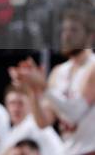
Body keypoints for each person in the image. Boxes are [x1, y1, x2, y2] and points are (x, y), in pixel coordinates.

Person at [9, 9, 95, 155]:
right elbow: (43, 122)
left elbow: (75, 113)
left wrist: (43, 86)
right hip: (68, 150)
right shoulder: (58, 71)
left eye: (74, 30)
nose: (67, 35)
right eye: (64, 30)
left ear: (90, 36)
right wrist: (33, 89)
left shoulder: (92, 67)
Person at [0, 85, 64, 155]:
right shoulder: (15, 130)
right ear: (6, 105)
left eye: (20, 103)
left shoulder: (33, 124)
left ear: (30, 105)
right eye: (12, 103)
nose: (16, 109)